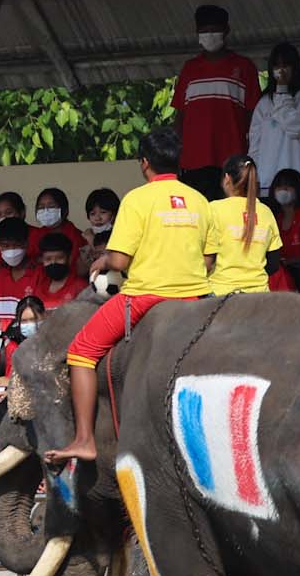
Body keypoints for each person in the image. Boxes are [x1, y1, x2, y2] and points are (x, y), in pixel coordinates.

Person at [46, 128, 209, 465]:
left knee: (81, 352)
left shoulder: (137, 199)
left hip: (145, 298)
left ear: (145, 162)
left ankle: (84, 439)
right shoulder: (199, 200)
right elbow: (209, 260)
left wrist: (104, 259)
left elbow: (120, 261)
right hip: (196, 300)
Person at [174, 3, 261, 192]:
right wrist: (176, 155)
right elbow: (180, 116)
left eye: (214, 30)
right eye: (204, 31)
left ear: (226, 31)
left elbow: (255, 116)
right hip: (193, 161)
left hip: (232, 161)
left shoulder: (244, 67)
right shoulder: (189, 69)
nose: (209, 35)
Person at [204, 154, 281, 296]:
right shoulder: (265, 212)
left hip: (221, 295)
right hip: (259, 295)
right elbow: (274, 263)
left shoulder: (213, 209)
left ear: (227, 178)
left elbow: (208, 257)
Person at [247, 42, 300, 192]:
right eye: (276, 66)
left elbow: (297, 127)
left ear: (295, 67)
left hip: (298, 181)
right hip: (267, 183)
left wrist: (282, 91)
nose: (281, 70)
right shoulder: (264, 102)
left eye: (286, 65)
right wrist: (254, 178)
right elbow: (255, 145)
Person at [31, 188, 85, 265]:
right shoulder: (36, 235)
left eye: (51, 206)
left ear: (64, 209)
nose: (46, 211)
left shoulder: (77, 236)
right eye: (41, 207)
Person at [269, 169, 300, 266]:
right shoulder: (271, 217)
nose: (283, 189)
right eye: (279, 186)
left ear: (298, 190)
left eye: (289, 185)